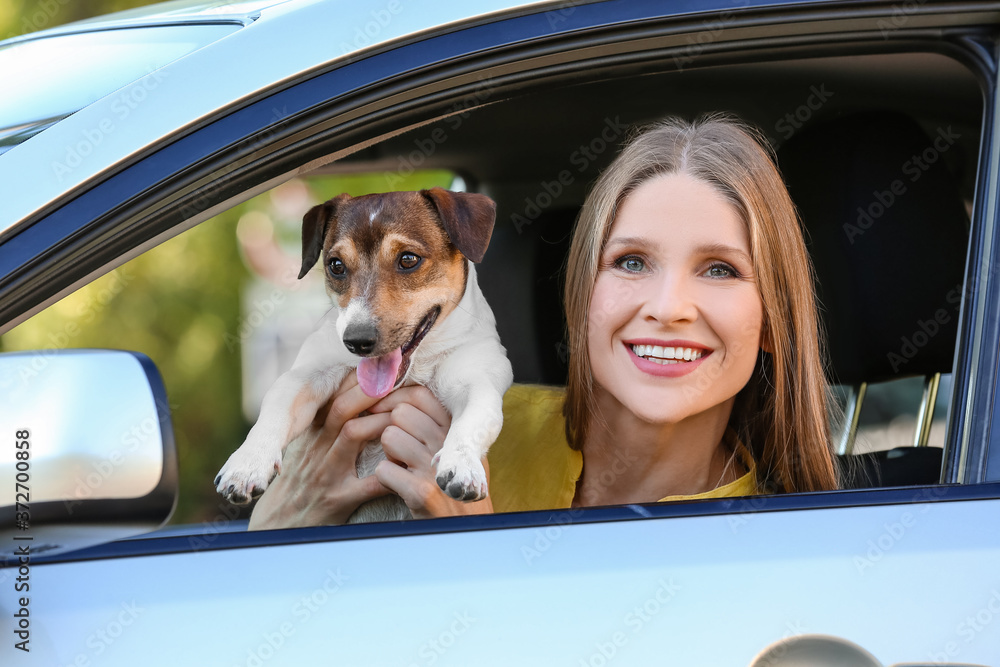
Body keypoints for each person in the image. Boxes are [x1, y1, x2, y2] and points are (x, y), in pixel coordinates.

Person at [248, 115, 838, 530]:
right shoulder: (449, 413)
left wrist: (474, 545)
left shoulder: (781, 543)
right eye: (631, 262)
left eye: (720, 270)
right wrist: (280, 520)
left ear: (772, 320)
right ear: (585, 294)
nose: (667, 306)